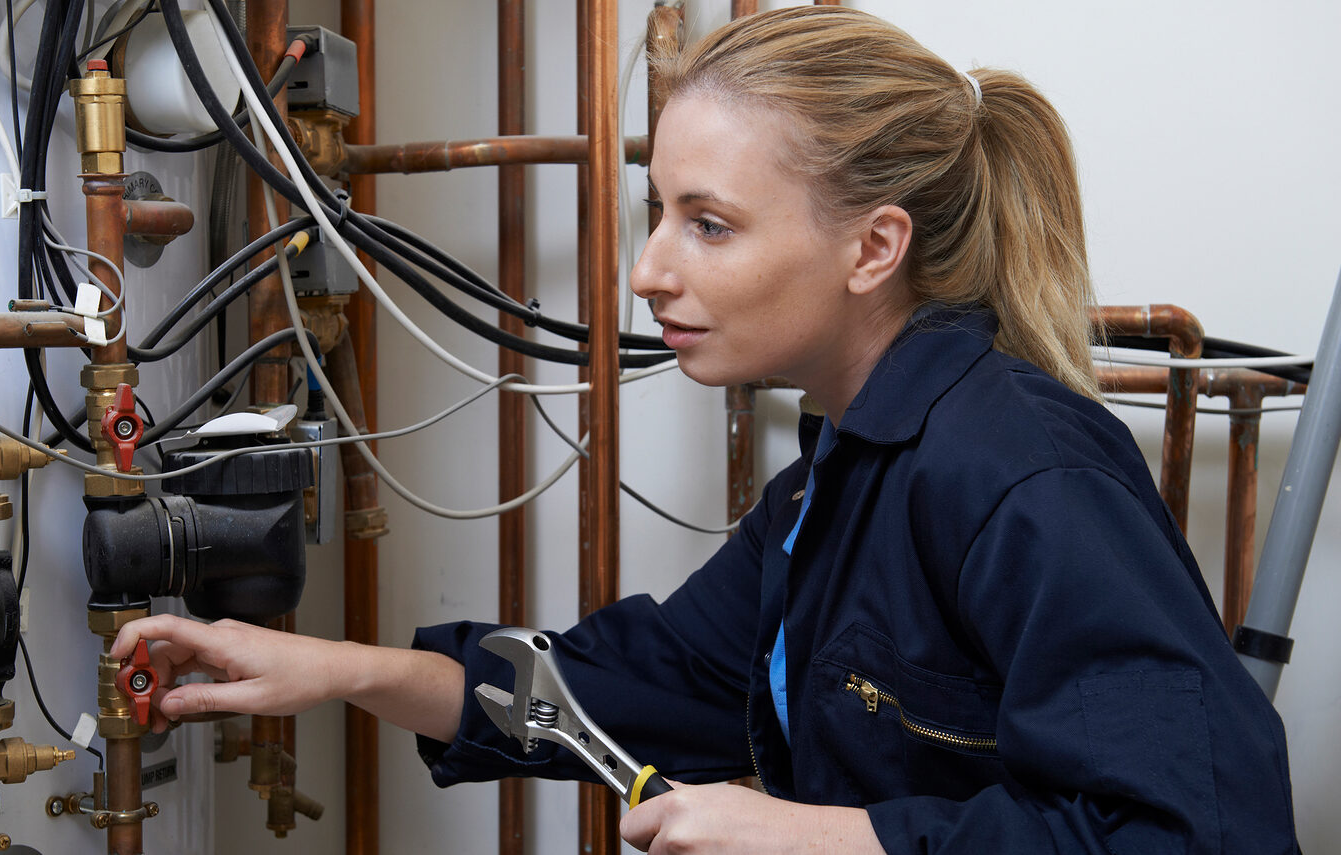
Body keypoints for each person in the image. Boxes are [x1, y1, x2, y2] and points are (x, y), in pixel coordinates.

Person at [113, 7, 1299, 853]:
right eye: (655, 214)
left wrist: (834, 840)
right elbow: (631, 687)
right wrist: (333, 672)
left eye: (709, 225)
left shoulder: (1018, 472)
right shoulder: (834, 479)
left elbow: (1195, 831)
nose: (645, 272)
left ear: (872, 248)